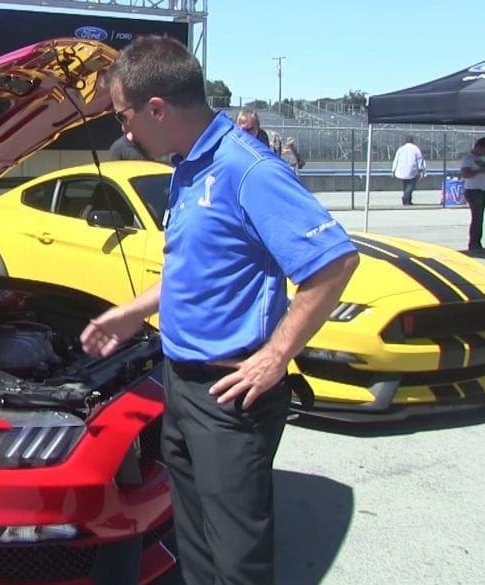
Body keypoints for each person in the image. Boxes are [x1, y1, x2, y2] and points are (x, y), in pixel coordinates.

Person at [86, 37, 359, 585]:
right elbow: (197, 269)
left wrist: (275, 356)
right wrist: (132, 313)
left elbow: (333, 264)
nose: (124, 132)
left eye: (124, 116)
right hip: (181, 384)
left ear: (156, 107)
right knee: (195, 544)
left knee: (237, 557)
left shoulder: (248, 168)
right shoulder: (187, 165)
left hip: (229, 397)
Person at [459, 137, 485, 251]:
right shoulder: (468, 159)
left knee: (480, 218)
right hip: (474, 191)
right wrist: (480, 171)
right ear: (479, 147)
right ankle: (474, 244)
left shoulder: (482, 158)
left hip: (482, 190)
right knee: (477, 218)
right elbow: (465, 174)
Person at [391, 135, 426, 205]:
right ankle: (406, 197)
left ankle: (408, 201)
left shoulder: (401, 149)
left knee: (405, 185)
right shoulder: (416, 149)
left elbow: (396, 160)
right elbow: (420, 160)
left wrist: (393, 170)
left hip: (401, 170)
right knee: (411, 185)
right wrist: (421, 170)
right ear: (412, 141)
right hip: (412, 170)